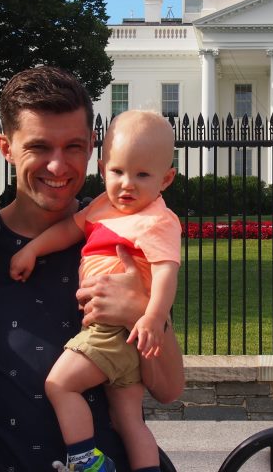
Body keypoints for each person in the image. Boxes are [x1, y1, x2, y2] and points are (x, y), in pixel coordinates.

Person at [0, 67, 185, 472]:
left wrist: (141, 311)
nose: (59, 166)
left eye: (74, 147)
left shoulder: (119, 237)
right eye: (40, 147)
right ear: (5, 147)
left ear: (92, 147)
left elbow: (168, 389)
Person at [10, 110, 180, 472]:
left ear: (166, 179)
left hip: (110, 332)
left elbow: (167, 271)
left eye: (143, 175)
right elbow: (69, 232)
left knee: (59, 384)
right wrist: (33, 249)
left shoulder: (156, 220)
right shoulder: (102, 208)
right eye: (118, 172)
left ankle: (86, 461)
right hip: (124, 337)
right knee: (127, 419)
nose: (127, 185)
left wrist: (149, 314)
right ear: (102, 168)